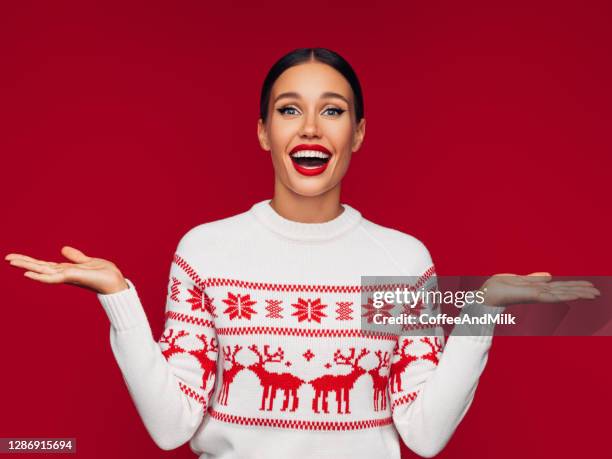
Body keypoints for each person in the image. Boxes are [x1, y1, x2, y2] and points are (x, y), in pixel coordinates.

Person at [4, 47, 600, 459]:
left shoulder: (399, 261)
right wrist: (119, 298)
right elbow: (169, 428)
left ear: (358, 133)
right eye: (289, 109)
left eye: (332, 111)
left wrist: (480, 315)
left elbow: (425, 432)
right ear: (264, 131)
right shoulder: (207, 253)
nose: (310, 128)